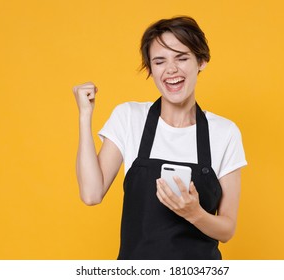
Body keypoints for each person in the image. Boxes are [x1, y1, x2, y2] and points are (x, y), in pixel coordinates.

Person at [72, 16, 247, 260]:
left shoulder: (224, 133)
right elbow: (91, 194)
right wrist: (84, 115)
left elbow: (227, 229)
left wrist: (193, 212)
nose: (171, 69)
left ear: (202, 61)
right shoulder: (129, 118)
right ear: (150, 70)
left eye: (182, 57)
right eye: (159, 61)